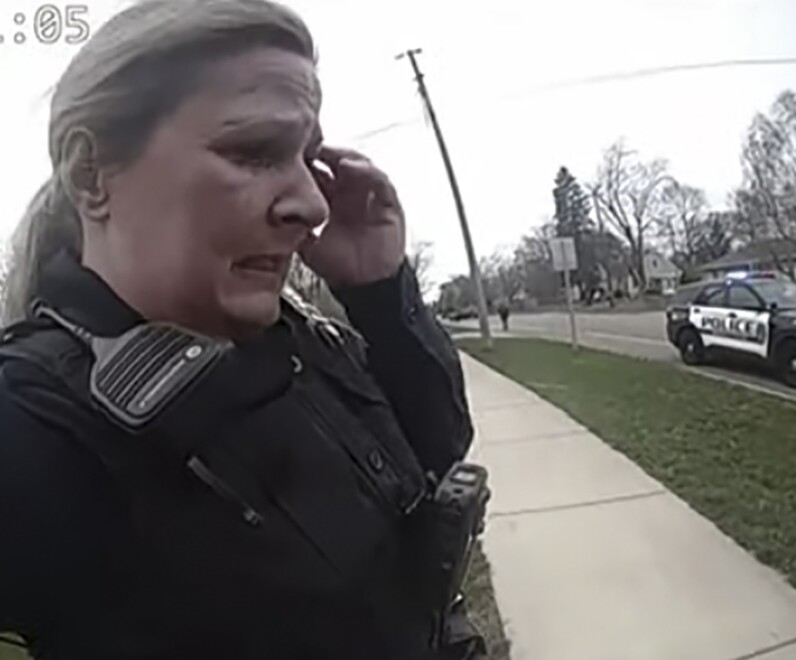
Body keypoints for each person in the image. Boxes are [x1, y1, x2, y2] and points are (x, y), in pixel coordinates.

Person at [0, 1, 487, 658]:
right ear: (91, 174)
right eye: (255, 152)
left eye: (306, 157)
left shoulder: (301, 336)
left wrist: (379, 293)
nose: (312, 205)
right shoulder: (37, 421)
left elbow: (437, 445)